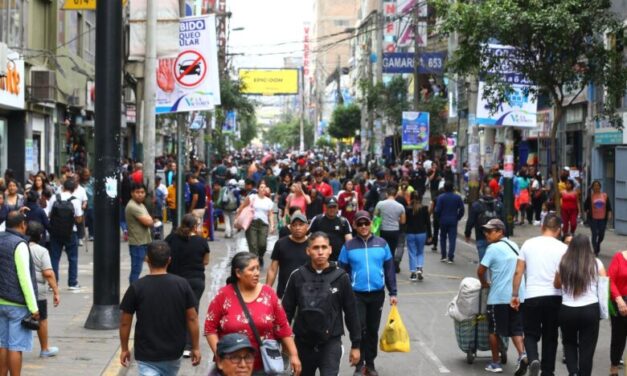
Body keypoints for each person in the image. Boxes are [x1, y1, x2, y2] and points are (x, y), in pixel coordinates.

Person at [204, 252, 301, 375]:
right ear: (238, 273)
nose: (257, 273)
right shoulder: (223, 295)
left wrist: (293, 355)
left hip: (263, 365)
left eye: (258, 268)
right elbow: (210, 329)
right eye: (252, 269)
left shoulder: (268, 294)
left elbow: (283, 327)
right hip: (232, 367)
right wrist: (219, 354)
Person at [281, 232, 361, 376]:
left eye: (324, 247)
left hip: (331, 343)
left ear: (330, 249)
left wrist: (356, 345)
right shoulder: (297, 276)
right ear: (308, 251)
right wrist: (285, 344)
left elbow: (351, 312)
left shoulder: (341, 277)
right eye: (315, 247)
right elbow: (286, 313)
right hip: (303, 343)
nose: (320, 251)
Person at [119, 240, 201, 374]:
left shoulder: (137, 287)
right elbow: (193, 318)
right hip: (174, 352)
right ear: (169, 260)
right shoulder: (182, 285)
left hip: (146, 353)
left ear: (146, 259)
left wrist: (124, 348)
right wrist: (196, 347)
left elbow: (124, 322)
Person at [338, 210, 397, 376]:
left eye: (366, 223)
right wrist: (343, 291)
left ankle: (370, 364)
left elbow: (389, 269)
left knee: (372, 330)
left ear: (371, 224)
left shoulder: (382, 244)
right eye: (360, 224)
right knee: (359, 329)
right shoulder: (348, 246)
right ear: (355, 226)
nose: (363, 226)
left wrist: (393, 292)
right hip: (356, 295)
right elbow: (342, 270)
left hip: (377, 294)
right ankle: (359, 364)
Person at [511, 214, 567, 376]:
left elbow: (518, 271)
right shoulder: (563, 248)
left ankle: (534, 358)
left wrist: (515, 294)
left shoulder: (528, 244)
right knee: (551, 335)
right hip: (555, 296)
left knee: (530, 333)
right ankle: (548, 371)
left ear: (542, 227)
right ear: (559, 230)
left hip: (533, 295)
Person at [477, 219, 528, 374]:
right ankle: (523, 354)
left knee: (493, 330)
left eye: (490, 231)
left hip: (499, 297)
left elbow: (480, 271)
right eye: (485, 231)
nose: (487, 234)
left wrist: (485, 283)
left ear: (500, 232)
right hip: (517, 295)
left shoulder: (492, 248)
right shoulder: (513, 245)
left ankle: (495, 362)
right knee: (516, 329)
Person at [553, 234, 605, 376]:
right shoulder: (596, 263)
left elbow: (557, 285)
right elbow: (604, 288)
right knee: (587, 348)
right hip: (590, 309)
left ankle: (573, 372)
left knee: (569, 343)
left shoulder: (563, 262)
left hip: (568, 309)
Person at [0, 211, 40, 375]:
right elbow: (25, 278)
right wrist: (33, 307)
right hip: (17, 304)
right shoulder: (20, 245)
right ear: (22, 225)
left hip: (0, 302)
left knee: (2, 344)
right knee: (16, 347)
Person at [165, 213, 210, 358]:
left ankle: (174, 341)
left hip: (175, 280)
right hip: (195, 282)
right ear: (195, 226)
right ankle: (188, 345)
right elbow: (206, 262)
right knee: (192, 313)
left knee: (175, 310)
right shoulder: (202, 242)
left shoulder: (171, 238)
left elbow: (163, 254)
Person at [26, 221, 60, 358]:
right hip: (38, 291)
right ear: (40, 236)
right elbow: (48, 273)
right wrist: (56, 291)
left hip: (21, 290)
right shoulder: (42, 251)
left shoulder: (20, 247)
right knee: (42, 319)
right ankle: (44, 348)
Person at [47, 178, 83, 290]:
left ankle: (53, 283)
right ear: (74, 189)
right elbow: (78, 219)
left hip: (55, 232)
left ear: (63, 187)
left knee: (54, 257)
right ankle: (72, 283)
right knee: (72, 258)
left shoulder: (54, 197)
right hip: (70, 232)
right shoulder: (75, 200)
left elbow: (49, 214)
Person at [266, 211, 310, 299]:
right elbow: (272, 269)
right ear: (290, 227)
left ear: (307, 227)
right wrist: (267, 292)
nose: (298, 228)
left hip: (308, 293)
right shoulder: (280, 244)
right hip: (284, 293)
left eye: (301, 224)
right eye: (294, 225)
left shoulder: (313, 244)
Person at [238, 182, 275, 267]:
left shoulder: (269, 201)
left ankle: (260, 256)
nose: (263, 189)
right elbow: (242, 206)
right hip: (252, 223)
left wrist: (272, 225)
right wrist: (238, 218)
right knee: (252, 244)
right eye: (261, 187)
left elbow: (271, 214)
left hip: (263, 224)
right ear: (257, 189)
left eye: (264, 187)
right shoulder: (252, 197)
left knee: (262, 244)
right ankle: (254, 262)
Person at [465, 186, 503, 261]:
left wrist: (467, 234)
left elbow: (470, 221)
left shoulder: (477, 205)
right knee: (495, 263)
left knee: (484, 262)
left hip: (481, 236)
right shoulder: (499, 204)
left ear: (482, 193)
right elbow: (503, 221)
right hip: (496, 237)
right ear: (492, 193)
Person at [125, 183, 154, 284]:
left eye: (142, 192)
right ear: (132, 193)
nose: (140, 194)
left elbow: (149, 220)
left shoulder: (141, 205)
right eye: (137, 192)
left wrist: (150, 219)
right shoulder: (133, 206)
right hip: (137, 243)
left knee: (153, 265)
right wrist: (150, 220)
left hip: (144, 241)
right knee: (136, 270)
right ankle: (133, 291)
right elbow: (149, 222)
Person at [308, 197, 352, 262]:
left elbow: (349, 241)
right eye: (330, 207)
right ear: (325, 207)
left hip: (339, 259)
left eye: (334, 207)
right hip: (320, 258)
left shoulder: (343, 221)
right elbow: (309, 237)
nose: (332, 209)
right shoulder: (317, 220)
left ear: (337, 207)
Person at [374, 187, 406, 273]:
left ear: (386, 194)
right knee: (391, 250)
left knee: (382, 248)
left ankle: (382, 266)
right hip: (395, 230)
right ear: (395, 195)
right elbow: (403, 221)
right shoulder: (400, 206)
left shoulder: (380, 204)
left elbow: (375, 216)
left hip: (383, 230)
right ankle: (390, 268)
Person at [435, 181, 465, 263]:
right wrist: (458, 217)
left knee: (443, 238)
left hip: (443, 220)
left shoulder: (440, 197)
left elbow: (437, 210)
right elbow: (462, 209)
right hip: (453, 220)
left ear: (444, 188)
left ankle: (443, 255)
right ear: (453, 188)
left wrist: (438, 218)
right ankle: (450, 256)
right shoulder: (457, 197)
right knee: (452, 239)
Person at [404, 192, 431, 281]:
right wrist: (430, 235)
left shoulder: (407, 209)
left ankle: (413, 273)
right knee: (420, 252)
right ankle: (419, 268)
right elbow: (428, 223)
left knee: (412, 252)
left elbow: (405, 222)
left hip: (410, 233)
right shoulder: (424, 208)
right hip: (421, 233)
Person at [608, 248, 627, 376]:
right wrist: (619, 299)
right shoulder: (619, 257)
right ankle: (614, 368)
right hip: (620, 302)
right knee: (618, 338)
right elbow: (610, 280)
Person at [584, 180, 612, 256]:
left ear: (600, 187)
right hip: (593, 218)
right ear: (592, 187)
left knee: (601, 234)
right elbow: (585, 206)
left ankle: (598, 243)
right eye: (595, 186)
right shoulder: (590, 197)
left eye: (597, 185)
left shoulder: (605, 196)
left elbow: (609, 207)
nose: (596, 187)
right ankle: (595, 250)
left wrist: (609, 214)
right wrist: (587, 211)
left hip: (603, 218)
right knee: (594, 233)